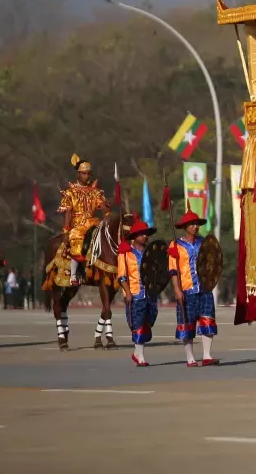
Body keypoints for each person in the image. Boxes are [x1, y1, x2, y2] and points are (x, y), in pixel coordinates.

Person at [167, 209, 218, 367]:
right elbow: (173, 270)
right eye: (192, 224)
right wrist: (177, 289)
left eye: (197, 224)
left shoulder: (204, 242)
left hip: (204, 289)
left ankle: (207, 355)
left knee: (207, 321)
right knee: (187, 324)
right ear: (185, 227)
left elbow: (212, 264)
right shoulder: (176, 245)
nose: (195, 226)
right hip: (187, 290)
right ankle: (190, 357)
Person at [59, 154, 111, 287]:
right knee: (77, 237)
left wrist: (106, 210)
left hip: (93, 221)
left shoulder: (95, 191)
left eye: (88, 173)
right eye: (84, 173)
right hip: (78, 224)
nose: (86, 176)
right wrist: (66, 231)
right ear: (78, 174)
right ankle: (74, 274)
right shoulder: (71, 192)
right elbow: (68, 213)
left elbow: (103, 207)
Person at [117, 219, 158, 367]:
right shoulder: (125, 254)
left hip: (150, 294)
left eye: (146, 234)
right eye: (141, 234)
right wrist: (127, 292)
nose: (145, 237)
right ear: (134, 236)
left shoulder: (150, 253)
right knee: (137, 324)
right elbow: (122, 276)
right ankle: (140, 356)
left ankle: (136, 353)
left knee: (148, 322)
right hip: (135, 293)